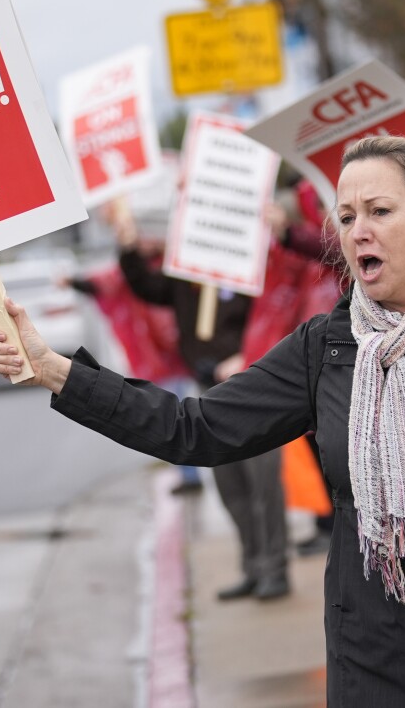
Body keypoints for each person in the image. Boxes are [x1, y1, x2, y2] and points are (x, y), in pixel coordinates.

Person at [0, 135, 405, 707]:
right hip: (378, 658)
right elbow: (194, 428)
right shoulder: (325, 350)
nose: (357, 228)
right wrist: (53, 370)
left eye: (380, 210)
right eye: (346, 214)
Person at [112, 211, 290, 601]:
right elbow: (144, 286)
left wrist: (245, 356)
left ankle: (275, 569)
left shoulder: (248, 273)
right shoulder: (183, 278)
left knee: (263, 486)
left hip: (254, 389)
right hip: (208, 392)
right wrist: (127, 244)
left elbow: (276, 318)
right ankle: (253, 566)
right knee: (231, 487)